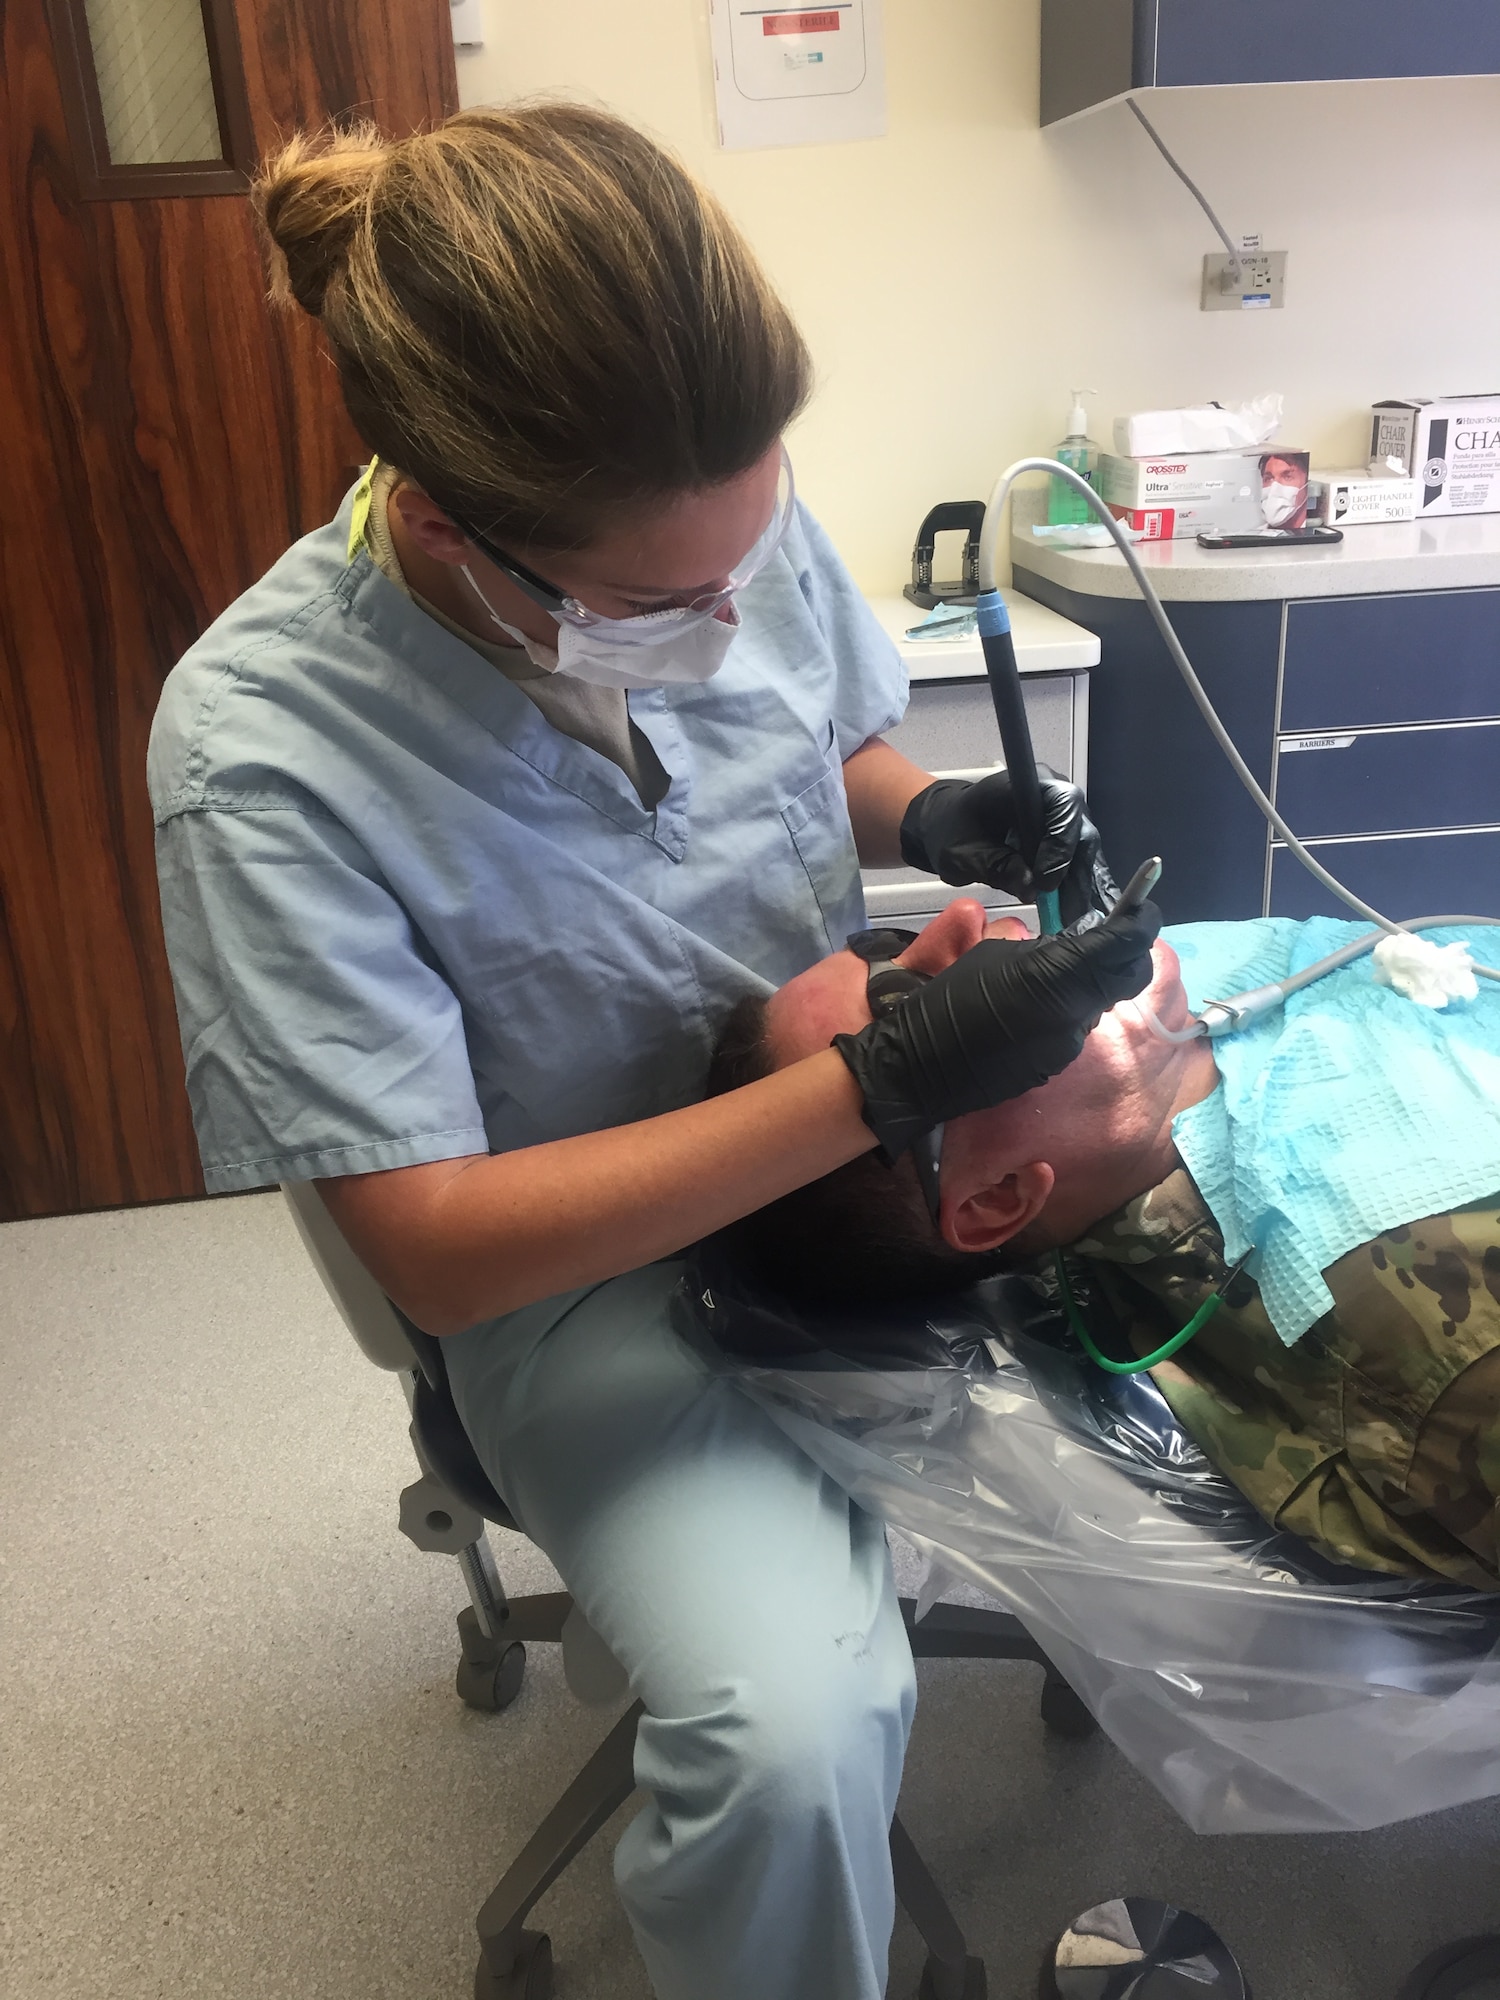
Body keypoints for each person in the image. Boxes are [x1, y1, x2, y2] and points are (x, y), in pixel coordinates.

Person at [146, 105, 1159, 2000]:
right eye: (660, 603)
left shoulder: (707, 513)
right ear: (441, 520)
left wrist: (931, 818)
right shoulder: (262, 757)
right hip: (584, 1268)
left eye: (749, 557)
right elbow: (439, 1244)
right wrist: (869, 1088)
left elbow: (802, 737)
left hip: (859, 1153)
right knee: (792, 1736)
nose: (730, 616)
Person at [706, 901, 1500, 1590]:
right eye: (912, 1010)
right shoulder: (1447, 1351)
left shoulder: (1167, 997)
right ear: (994, 1200)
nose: (964, 921)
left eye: (885, 943)